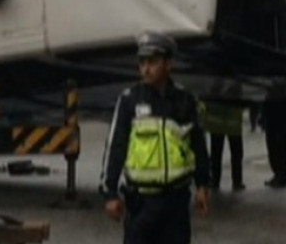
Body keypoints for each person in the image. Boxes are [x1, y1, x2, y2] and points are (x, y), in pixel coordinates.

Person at [99, 31, 210, 244]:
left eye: (152, 61)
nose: (145, 68)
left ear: (168, 64)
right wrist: (110, 193)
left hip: (176, 204)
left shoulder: (185, 101)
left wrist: (203, 185)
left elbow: (198, 144)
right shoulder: (129, 100)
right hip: (141, 205)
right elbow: (116, 146)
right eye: (142, 62)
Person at [200, 80, 245, 191]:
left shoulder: (214, 82)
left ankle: (216, 181)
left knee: (217, 154)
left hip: (218, 125)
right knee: (235, 154)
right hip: (232, 124)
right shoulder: (236, 82)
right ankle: (236, 181)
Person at [263, 81, 286, 188]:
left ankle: (281, 175)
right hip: (276, 108)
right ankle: (279, 174)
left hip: (278, 109)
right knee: (276, 146)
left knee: (278, 146)